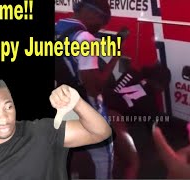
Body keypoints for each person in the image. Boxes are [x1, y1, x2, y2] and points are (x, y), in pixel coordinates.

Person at [0, 76, 112, 180]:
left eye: (9, 107)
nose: (4, 117)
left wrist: (77, 103)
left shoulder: (43, 132)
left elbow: (101, 132)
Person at [54, 0, 120, 178]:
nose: (99, 28)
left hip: (62, 102)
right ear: (95, 14)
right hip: (85, 106)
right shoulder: (85, 39)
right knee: (104, 156)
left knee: (69, 148)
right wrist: (114, 59)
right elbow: (94, 88)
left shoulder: (57, 27)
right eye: (102, 23)